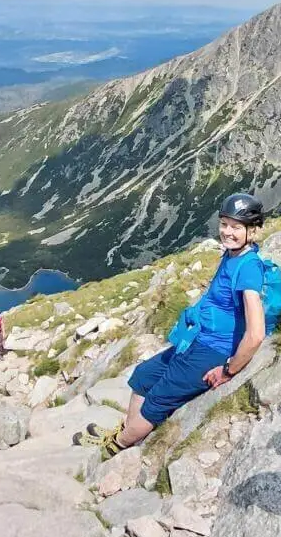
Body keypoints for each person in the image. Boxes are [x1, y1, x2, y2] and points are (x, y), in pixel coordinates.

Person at [74, 193, 269, 458]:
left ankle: (115, 448)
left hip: (213, 351)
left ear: (253, 230)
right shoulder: (231, 255)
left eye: (236, 227)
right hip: (199, 339)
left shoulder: (248, 268)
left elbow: (256, 334)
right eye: (224, 224)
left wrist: (228, 370)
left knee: (156, 401)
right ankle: (129, 430)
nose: (227, 232)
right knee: (143, 376)